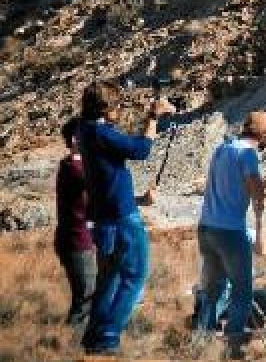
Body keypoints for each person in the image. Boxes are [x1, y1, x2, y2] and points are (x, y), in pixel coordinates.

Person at [78, 81, 173, 355]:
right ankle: (107, 338)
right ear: (105, 108)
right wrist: (153, 118)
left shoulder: (86, 130)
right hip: (122, 219)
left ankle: (94, 336)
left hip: (105, 219)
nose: (120, 110)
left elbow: (123, 146)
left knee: (110, 279)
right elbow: (141, 150)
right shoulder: (101, 133)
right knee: (135, 276)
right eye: (116, 106)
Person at [194, 111, 266, 360]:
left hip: (207, 226)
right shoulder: (248, 154)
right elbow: (256, 193)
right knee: (243, 291)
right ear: (262, 134)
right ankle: (233, 348)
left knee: (213, 291)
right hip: (230, 231)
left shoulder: (223, 148)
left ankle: (201, 344)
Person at [55, 116, 95, 328]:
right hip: (77, 241)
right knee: (85, 298)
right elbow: (102, 191)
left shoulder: (70, 165)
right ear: (74, 139)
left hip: (73, 239)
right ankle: (70, 344)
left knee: (84, 296)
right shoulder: (75, 168)